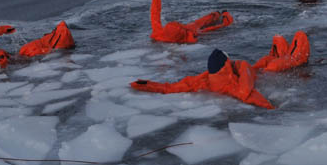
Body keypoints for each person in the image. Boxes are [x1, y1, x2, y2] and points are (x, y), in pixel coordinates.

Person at [130, 31, 311, 109]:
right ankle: (296, 56)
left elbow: (170, 87)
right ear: (225, 63)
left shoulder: (205, 78)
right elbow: (247, 94)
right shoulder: (232, 84)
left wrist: (145, 84)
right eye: (228, 59)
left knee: (271, 52)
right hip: (265, 72)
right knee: (274, 63)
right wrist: (271, 107)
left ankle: (281, 50)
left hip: (257, 69)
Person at [0, 21, 74, 70]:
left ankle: (58, 35)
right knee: (31, 49)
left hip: (18, 56)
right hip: (23, 60)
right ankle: (61, 39)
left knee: (30, 48)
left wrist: (1, 30)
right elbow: (4, 68)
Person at [149, 0, 233, 44]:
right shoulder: (190, 36)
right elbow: (216, 27)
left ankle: (216, 14)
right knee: (202, 24)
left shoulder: (158, 33)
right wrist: (226, 17)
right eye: (178, 25)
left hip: (190, 28)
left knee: (200, 22)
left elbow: (154, 14)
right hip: (192, 29)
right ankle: (218, 14)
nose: (178, 23)